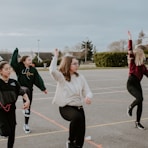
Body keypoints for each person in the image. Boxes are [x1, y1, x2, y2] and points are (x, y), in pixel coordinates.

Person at [49, 49, 93, 148]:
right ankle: (70, 141)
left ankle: (76, 144)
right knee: (76, 117)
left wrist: (87, 97)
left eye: (77, 63)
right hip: (66, 107)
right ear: (68, 64)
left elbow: (88, 91)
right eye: (74, 64)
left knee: (80, 137)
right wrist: (55, 56)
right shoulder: (61, 77)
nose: (77, 65)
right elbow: (52, 71)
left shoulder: (80, 77)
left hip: (79, 107)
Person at [10, 48, 47, 134]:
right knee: (23, 92)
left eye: (31, 59)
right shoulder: (19, 67)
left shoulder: (33, 70)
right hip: (19, 88)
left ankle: (26, 125)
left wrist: (43, 88)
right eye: (29, 59)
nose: (31, 61)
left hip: (29, 90)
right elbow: (13, 63)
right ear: (24, 61)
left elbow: (38, 79)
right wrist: (15, 52)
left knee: (28, 107)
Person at [0, 61, 30, 148]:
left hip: (12, 109)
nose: (9, 71)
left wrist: (27, 101)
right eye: (6, 69)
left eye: (10, 69)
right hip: (1, 110)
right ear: (0, 71)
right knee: (6, 131)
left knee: (12, 132)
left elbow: (22, 93)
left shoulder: (14, 82)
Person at [127, 31, 148, 130]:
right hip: (131, 83)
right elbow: (130, 50)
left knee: (140, 102)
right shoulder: (132, 62)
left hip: (137, 84)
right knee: (139, 98)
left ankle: (137, 122)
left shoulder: (143, 67)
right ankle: (130, 107)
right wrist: (130, 38)